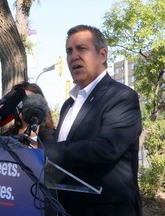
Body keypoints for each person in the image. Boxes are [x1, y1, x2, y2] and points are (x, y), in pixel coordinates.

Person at [44, 25, 142, 216]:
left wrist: (48, 151)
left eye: (81, 49)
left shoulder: (121, 96)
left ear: (102, 54)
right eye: (69, 51)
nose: (73, 56)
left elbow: (106, 149)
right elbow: (69, 146)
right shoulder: (68, 104)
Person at [3, 81, 55, 147]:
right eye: (21, 101)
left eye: (29, 100)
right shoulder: (3, 138)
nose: (25, 105)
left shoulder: (55, 138)